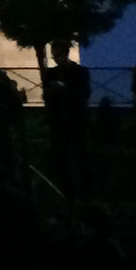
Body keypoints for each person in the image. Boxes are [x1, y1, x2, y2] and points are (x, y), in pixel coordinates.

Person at [44, 39, 93, 197]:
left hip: (75, 119)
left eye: (57, 54)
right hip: (60, 121)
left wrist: (63, 89)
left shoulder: (80, 72)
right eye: (54, 54)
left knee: (81, 157)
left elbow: (84, 93)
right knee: (62, 160)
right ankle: (67, 193)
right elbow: (48, 97)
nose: (55, 57)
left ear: (65, 53)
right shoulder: (51, 74)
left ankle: (84, 192)